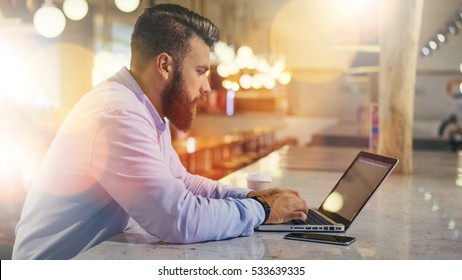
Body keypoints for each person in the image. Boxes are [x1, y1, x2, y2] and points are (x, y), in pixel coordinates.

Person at [12, 4, 308, 260]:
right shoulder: (118, 114)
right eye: (201, 71)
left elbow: (182, 183)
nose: (207, 87)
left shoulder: (144, 110)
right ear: (165, 65)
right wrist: (263, 211)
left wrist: (251, 196)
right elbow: (177, 219)